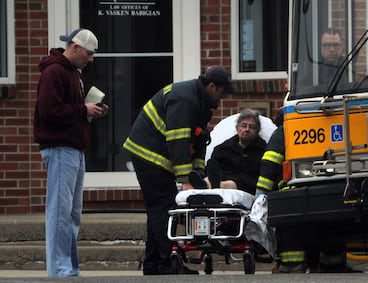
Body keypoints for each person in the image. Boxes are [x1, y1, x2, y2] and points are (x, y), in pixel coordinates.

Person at [123, 65, 235, 275]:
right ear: (212, 86)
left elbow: (199, 141)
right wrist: (185, 179)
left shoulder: (199, 102)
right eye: (222, 93)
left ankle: (153, 264)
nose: (222, 100)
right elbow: (178, 141)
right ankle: (167, 265)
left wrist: (198, 174)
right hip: (149, 155)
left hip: (157, 156)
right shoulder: (186, 100)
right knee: (164, 209)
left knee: (159, 211)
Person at [33, 28, 109, 277]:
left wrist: (88, 110)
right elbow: (49, 111)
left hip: (72, 148)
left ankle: (68, 268)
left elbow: (65, 111)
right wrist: (82, 109)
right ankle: (59, 271)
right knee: (59, 213)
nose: (90, 59)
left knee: (71, 213)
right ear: (75, 47)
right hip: (60, 148)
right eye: (88, 53)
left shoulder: (72, 73)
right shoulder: (54, 72)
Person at [256, 109, 348, 273]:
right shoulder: (325, 126)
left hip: (293, 192)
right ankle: (333, 264)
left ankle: (292, 266)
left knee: (289, 229)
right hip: (329, 188)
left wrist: (261, 192)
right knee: (330, 226)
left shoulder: (283, 132)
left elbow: (270, 163)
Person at [197, 108, 266, 195]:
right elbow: (212, 170)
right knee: (208, 178)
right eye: (244, 126)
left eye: (252, 127)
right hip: (222, 179)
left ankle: (207, 186)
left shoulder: (263, 151)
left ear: (257, 131)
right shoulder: (222, 149)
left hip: (246, 187)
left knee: (231, 184)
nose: (247, 130)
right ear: (237, 128)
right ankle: (204, 184)